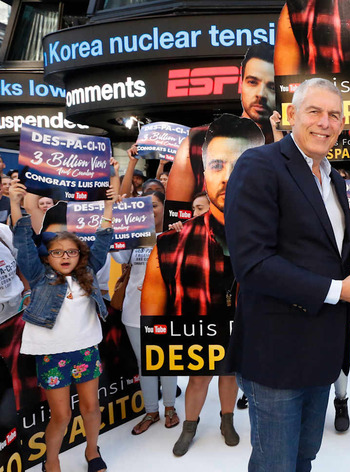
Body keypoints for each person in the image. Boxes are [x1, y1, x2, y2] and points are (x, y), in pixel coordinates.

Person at [224, 78, 350, 472]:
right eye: (314, 111)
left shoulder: (333, 178)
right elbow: (252, 263)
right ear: (291, 115)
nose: (325, 122)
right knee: (275, 465)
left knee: (304, 458)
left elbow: (326, 253)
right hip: (276, 356)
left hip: (321, 354)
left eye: (334, 115)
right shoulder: (259, 165)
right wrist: (340, 289)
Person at [141, 115, 265, 457]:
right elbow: (153, 321)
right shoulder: (171, 244)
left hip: (243, 326)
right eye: (217, 165)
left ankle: (227, 421)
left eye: (240, 165)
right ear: (204, 172)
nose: (227, 177)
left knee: (230, 376)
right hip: (200, 328)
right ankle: (189, 426)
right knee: (199, 379)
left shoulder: (274, 237)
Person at [10, 181, 116, 472]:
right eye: (57, 252)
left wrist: (108, 207)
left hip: (85, 351)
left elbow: (103, 238)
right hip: (52, 355)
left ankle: (92, 451)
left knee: (91, 408)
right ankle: (51, 461)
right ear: (47, 256)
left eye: (71, 251)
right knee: (62, 416)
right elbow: (23, 243)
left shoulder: (88, 271)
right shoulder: (38, 275)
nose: (65, 257)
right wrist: (16, 204)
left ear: (80, 254)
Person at [166, 43, 278, 203]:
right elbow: (175, 214)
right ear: (241, 84)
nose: (261, 94)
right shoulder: (197, 142)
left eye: (272, 87)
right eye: (253, 82)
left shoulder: (294, 147)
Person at [112, 189, 179, 435]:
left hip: (166, 310)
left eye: (154, 205)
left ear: (164, 207)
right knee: (145, 362)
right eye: (145, 206)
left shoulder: (175, 234)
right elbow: (119, 257)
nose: (150, 211)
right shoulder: (136, 235)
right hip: (134, 310)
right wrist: (119, 224)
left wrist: (183, 236)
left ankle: (170, 408)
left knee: (167, 360)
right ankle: (151, 411)